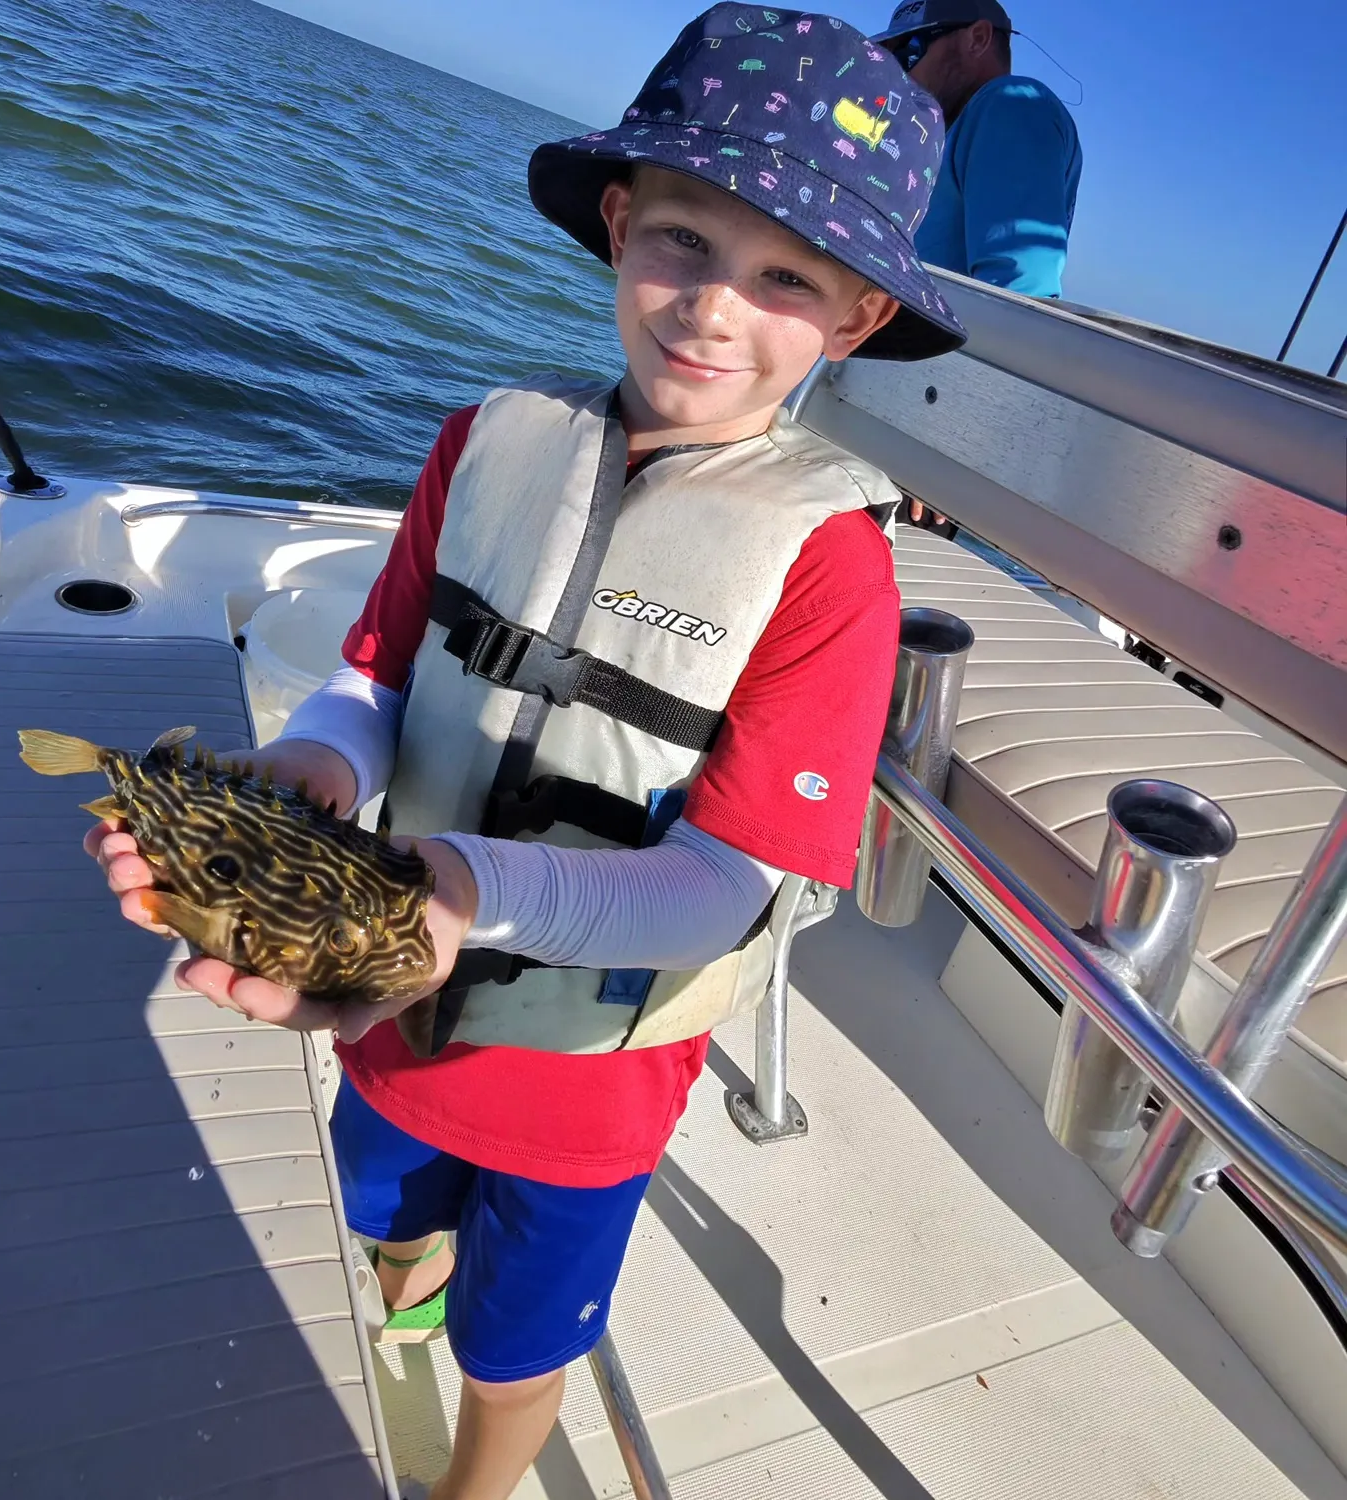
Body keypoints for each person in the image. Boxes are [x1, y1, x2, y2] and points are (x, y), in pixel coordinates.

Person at [87, 8, 965, 1497]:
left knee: (518, 1345)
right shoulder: (483, 442)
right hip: (377, 991)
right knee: (382, 1207)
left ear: (855, 319)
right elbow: (373, 677)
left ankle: (477, 1485)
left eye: (785, 279)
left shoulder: (830, 567)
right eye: (684, 242)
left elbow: (725, 886)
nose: (713, 310)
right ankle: (405, 1281)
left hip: (586, 1072)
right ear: (621, 225)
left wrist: (457, 890)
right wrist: (323, 773)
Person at [875, 0, 1082, 297]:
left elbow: (1015, 298)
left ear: (978, 39)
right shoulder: (949, 136)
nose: (900, 77)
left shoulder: (1011, 104)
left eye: (908, 53)